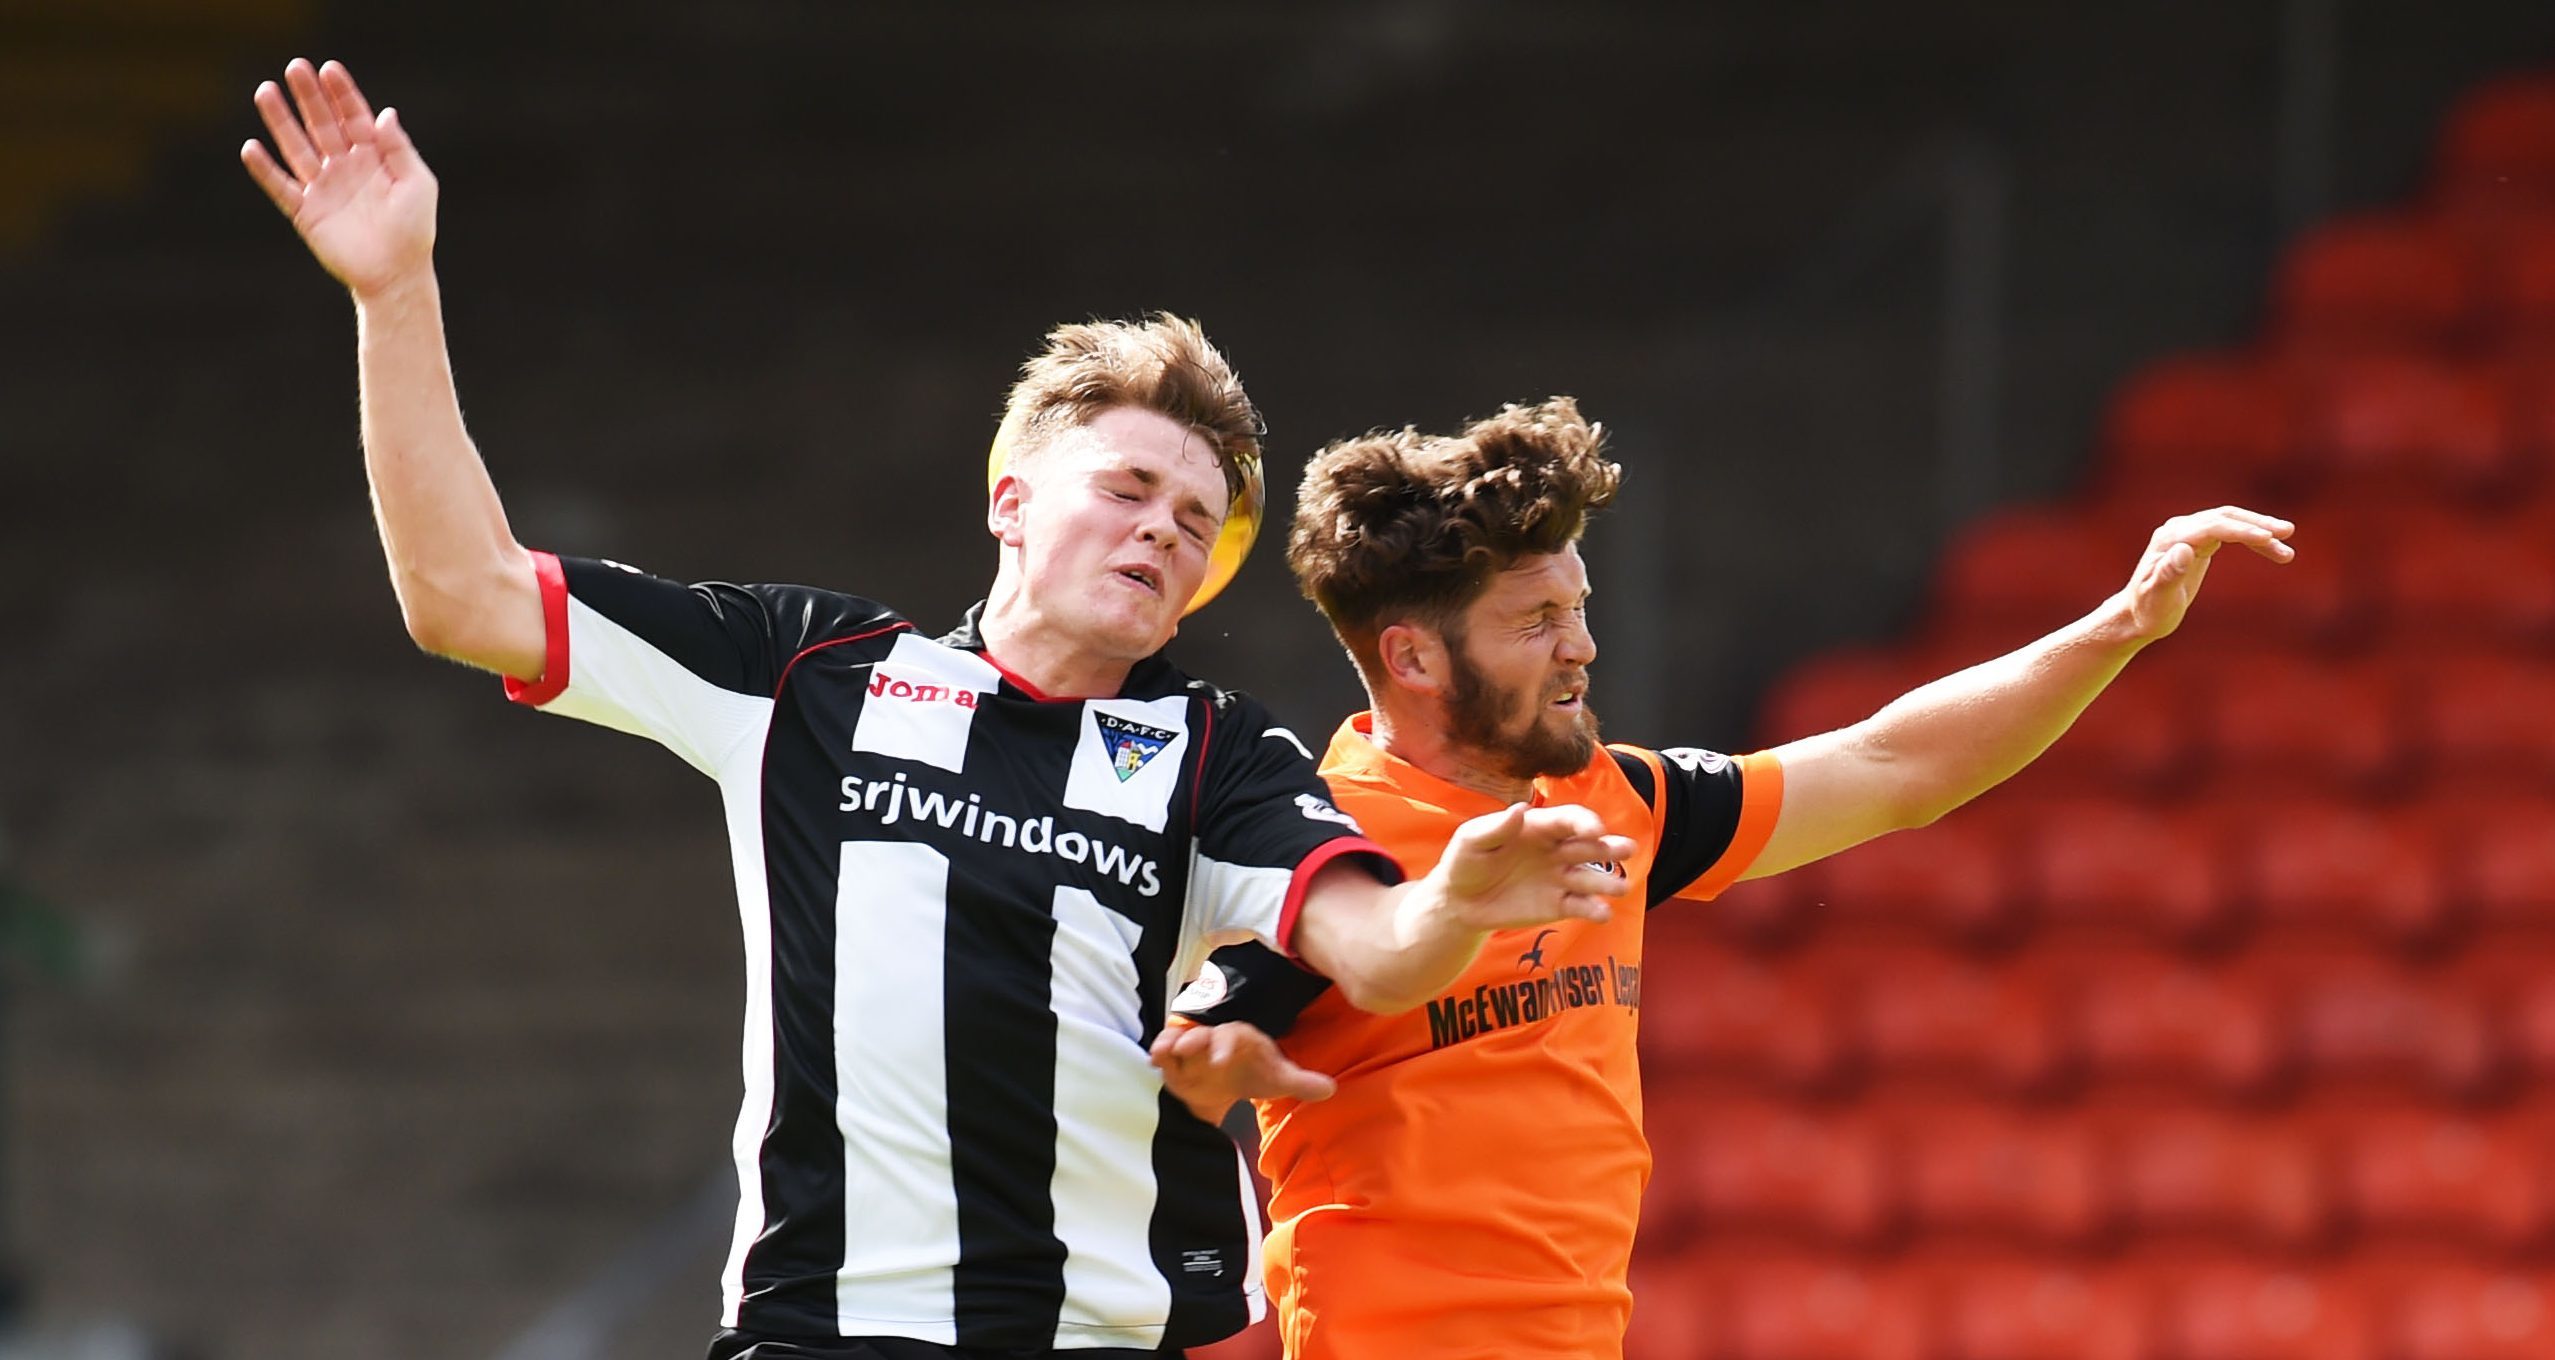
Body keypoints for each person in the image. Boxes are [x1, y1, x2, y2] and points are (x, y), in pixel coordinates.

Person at [239, 60, 1639, 1360]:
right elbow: (461, 595)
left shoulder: (1215, 752)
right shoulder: (809, 675)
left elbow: (1374, 949)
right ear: (1008, 502)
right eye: (1128, 489)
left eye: (1196, 521)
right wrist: (395, 289)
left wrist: (1456, 903)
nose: (1162, 531)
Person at [1164, 397, 2294, 1359]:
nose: (1581, 647)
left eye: (1581, 608)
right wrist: (1207, 1071)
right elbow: (1162, 1072)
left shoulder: (1617, 802)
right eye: (1537, 619)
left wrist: (2114, 629)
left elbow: (1892, 766)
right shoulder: (1310, 845)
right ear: (1410, 655)